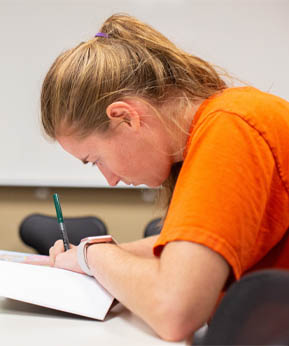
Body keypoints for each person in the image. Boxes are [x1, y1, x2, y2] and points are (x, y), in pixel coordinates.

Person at [41, 13, 289, 341]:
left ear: (124, 118)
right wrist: (100, 253)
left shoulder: (230, 127)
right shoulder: (227, 119)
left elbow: (175, 311)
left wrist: (92, 256)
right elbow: (190, 251)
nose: (110, 179)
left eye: (96, 160)